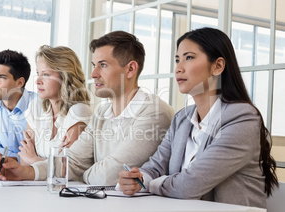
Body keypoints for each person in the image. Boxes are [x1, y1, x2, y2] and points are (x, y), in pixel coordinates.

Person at [118, 27, 278, 208]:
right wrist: (138, 178)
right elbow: (155, 166)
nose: (178, 68)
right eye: (177, 60)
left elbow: (189, 186)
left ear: (217, 66)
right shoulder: (182, 118)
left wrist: (150, 184)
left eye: (189, 58)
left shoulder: (242, 117)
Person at [0, 31, 175, 185]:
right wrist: (24, 172)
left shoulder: (154, 112)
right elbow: (72, 162)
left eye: (103, 65)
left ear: (130, 69)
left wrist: (83, 175)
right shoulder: (102, 113)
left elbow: (108, 176)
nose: (94, 74)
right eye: (94, 65)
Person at [18, 45, 92, 165]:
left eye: (46, 74)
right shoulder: (35, 108)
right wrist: (48, 162)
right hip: (35, 183)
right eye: (38, 73)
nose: (37, 81)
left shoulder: (79, 112)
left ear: (65, 77)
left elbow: (67, 168)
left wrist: (34, 159)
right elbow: (24, 161)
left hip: (68, 184)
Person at [0, 49, 37, 167]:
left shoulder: (39, 104)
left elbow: (40, 154)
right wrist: (10, 158)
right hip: (3, 170)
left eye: (1, 77)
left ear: (20, 83)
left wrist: (8, 158)